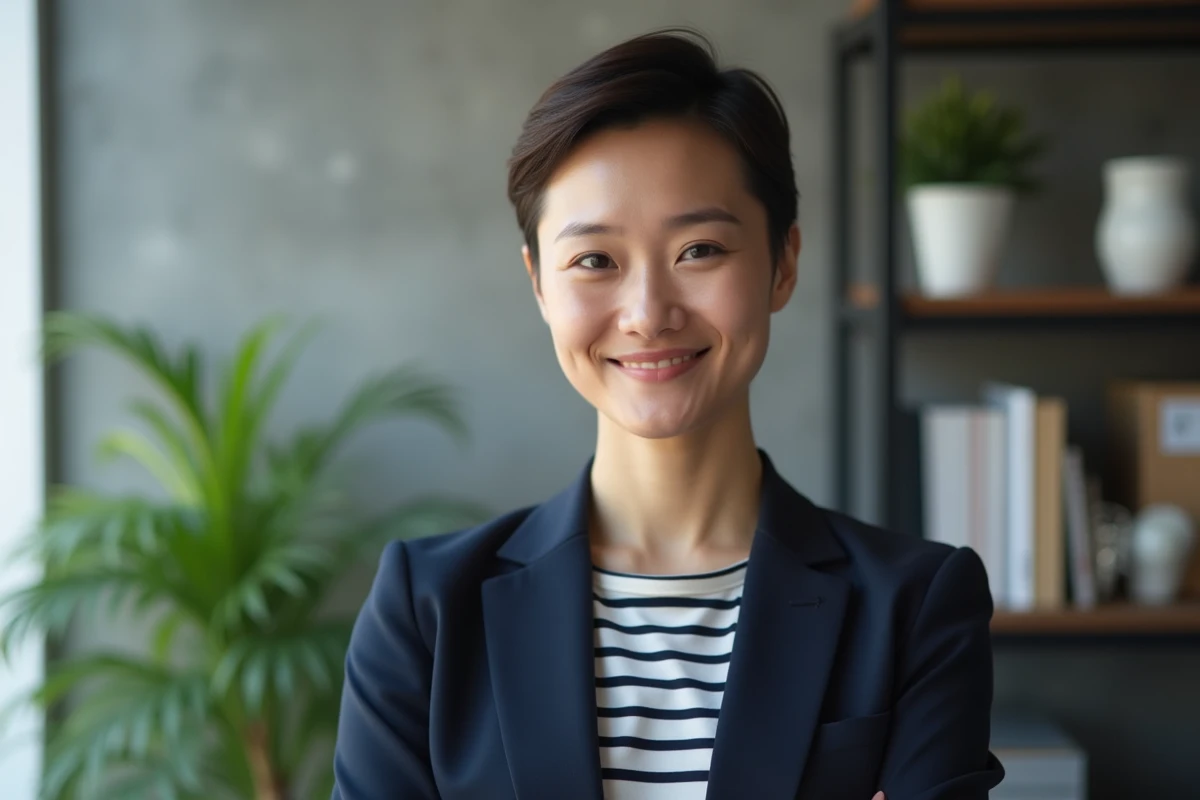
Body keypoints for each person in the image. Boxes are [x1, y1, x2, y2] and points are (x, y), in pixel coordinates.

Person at [330, 28, 1004, 800]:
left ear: (783, 263)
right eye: (595, 261)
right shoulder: (427, 610)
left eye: (700, 250)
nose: (648, 314)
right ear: (539, 284)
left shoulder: (917, 609)